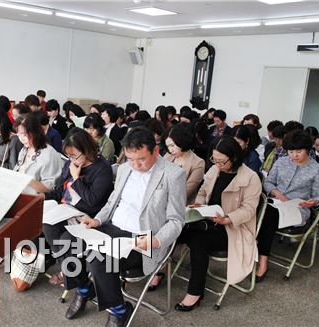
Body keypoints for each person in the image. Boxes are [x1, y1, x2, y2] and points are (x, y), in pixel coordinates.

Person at [57, 127, 185, 326]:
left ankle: (119, 309)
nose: (135, 165)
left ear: (156, 151)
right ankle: (83, 289)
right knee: (66, 241)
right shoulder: (125, 168)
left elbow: (177, 220)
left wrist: (157, 240)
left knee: (97, 258)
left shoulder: (172, 175)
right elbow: (112, 203)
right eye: (130, 158)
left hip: (141, 238)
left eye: (140, 159)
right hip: (111, 227)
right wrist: (97, 220)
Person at [175, 136, 262, 311]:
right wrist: (199, 205)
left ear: (235, 157)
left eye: (222, 161)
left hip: (231, 228)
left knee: (199, 241)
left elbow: (249, 210)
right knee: (173, 228)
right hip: (206, 219)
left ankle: (195, 292)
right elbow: (202, 191)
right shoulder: (215, 169)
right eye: (214, 159)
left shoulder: (251, 178)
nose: (217, 164)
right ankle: (157, 271)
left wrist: (226, 218)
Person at [43, 128, 114, 284]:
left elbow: (93, 200)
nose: (71, 159)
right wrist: (42, 198)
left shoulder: (102, 168)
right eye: (68, 155)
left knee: (66, 239)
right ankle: (69, 269)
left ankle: (75, 278)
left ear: (87, 150)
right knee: (48, 225)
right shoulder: (70, 163)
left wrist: (76, 178)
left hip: (88, 216)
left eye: (74, 155)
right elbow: (61, 190)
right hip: (65, 210)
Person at [256, 130, 319, 281]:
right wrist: (276, 192)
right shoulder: (281, 162)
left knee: (267, 216)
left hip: (298, 209)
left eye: (299, 151)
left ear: (308, 149)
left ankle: (262, 261)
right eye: (291, 151)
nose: (294, 155)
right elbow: (268, 182)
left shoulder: (318, 170)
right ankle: (252, 253)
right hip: (275, 202)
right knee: (259, 211)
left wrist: (313, 202)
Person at [14, 116, 63, 194]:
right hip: (19, 194)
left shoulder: (49, 153)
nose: (22, 139)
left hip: (36, 199)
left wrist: (26, 180)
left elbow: (50, 188)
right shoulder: (24, 150)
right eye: (19, 135)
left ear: (35, 132)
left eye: (24, 134)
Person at [164, 123, 205, 204]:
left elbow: (185, 192)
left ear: (181, 141)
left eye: (172, 145)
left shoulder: (198, 163)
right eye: (168, 146)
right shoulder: (169, 155)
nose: (170, 150)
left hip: (182, 205)